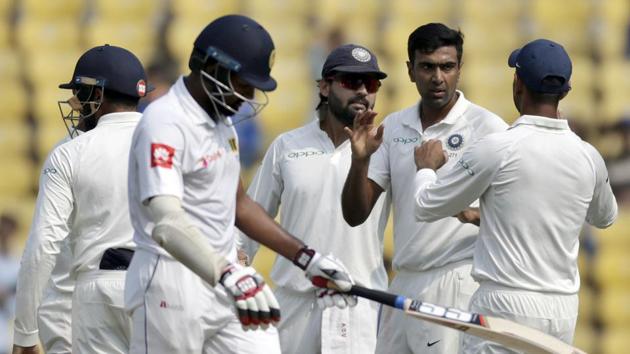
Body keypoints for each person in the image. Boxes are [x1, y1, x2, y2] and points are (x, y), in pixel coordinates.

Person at [125, 14, 356, 354]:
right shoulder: (164, 122)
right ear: (213, 68)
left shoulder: (221, 124)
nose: (248, 97)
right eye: (244, 85)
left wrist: (307, 258)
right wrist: (226, 274)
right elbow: (166, 222)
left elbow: (239, 205)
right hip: (170, 282)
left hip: (226, 278)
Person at [412, 39, 618, 352]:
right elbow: (606, 217)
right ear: (566, 90)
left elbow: (425, 206)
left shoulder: (499, 147)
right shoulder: (588, 156)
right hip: (563, 309)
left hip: (504, 304)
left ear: (517, 83)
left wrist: (426, 168)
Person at [341, 23, 508, 354]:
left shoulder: (487, 128)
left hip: (455, 281)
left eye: (447, 66)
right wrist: (359, 161)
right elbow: (355, 215)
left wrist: (476, 215)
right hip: (403, 282)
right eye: (427, 66)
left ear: (460, 68)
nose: (437, 77)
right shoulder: (394, 126)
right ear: (410, 70)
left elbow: (518, 215)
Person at [238, 44, 389, 354]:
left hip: (360, 305)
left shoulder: (385, 149)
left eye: (370, 84)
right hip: (297, 304)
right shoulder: (286, 146)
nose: (362, 91)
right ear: (324, 86)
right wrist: (237, 266)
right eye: (350, 82)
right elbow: (253, 218)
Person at [13, 44, 150, 354]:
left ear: (97, 96)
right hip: (165, 287)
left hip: (97, 292)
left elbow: (43, 245)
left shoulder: (70, 152)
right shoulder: (171, 140)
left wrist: (24, 334)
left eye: (80, 95)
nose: (75, 106)